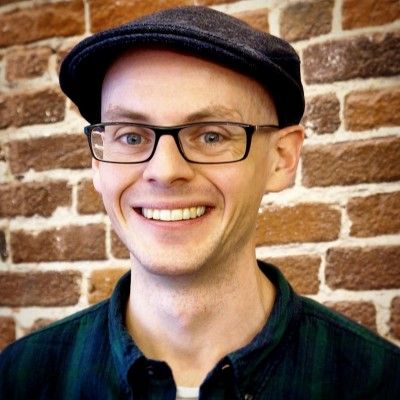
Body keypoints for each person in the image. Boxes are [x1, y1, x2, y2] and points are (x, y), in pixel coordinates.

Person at [0, 6, 399, 400]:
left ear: (281, 158)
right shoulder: (20, 379)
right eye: (131, 136)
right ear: (98, 164)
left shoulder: (378, 383)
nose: (165, 170)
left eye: (211, 136)